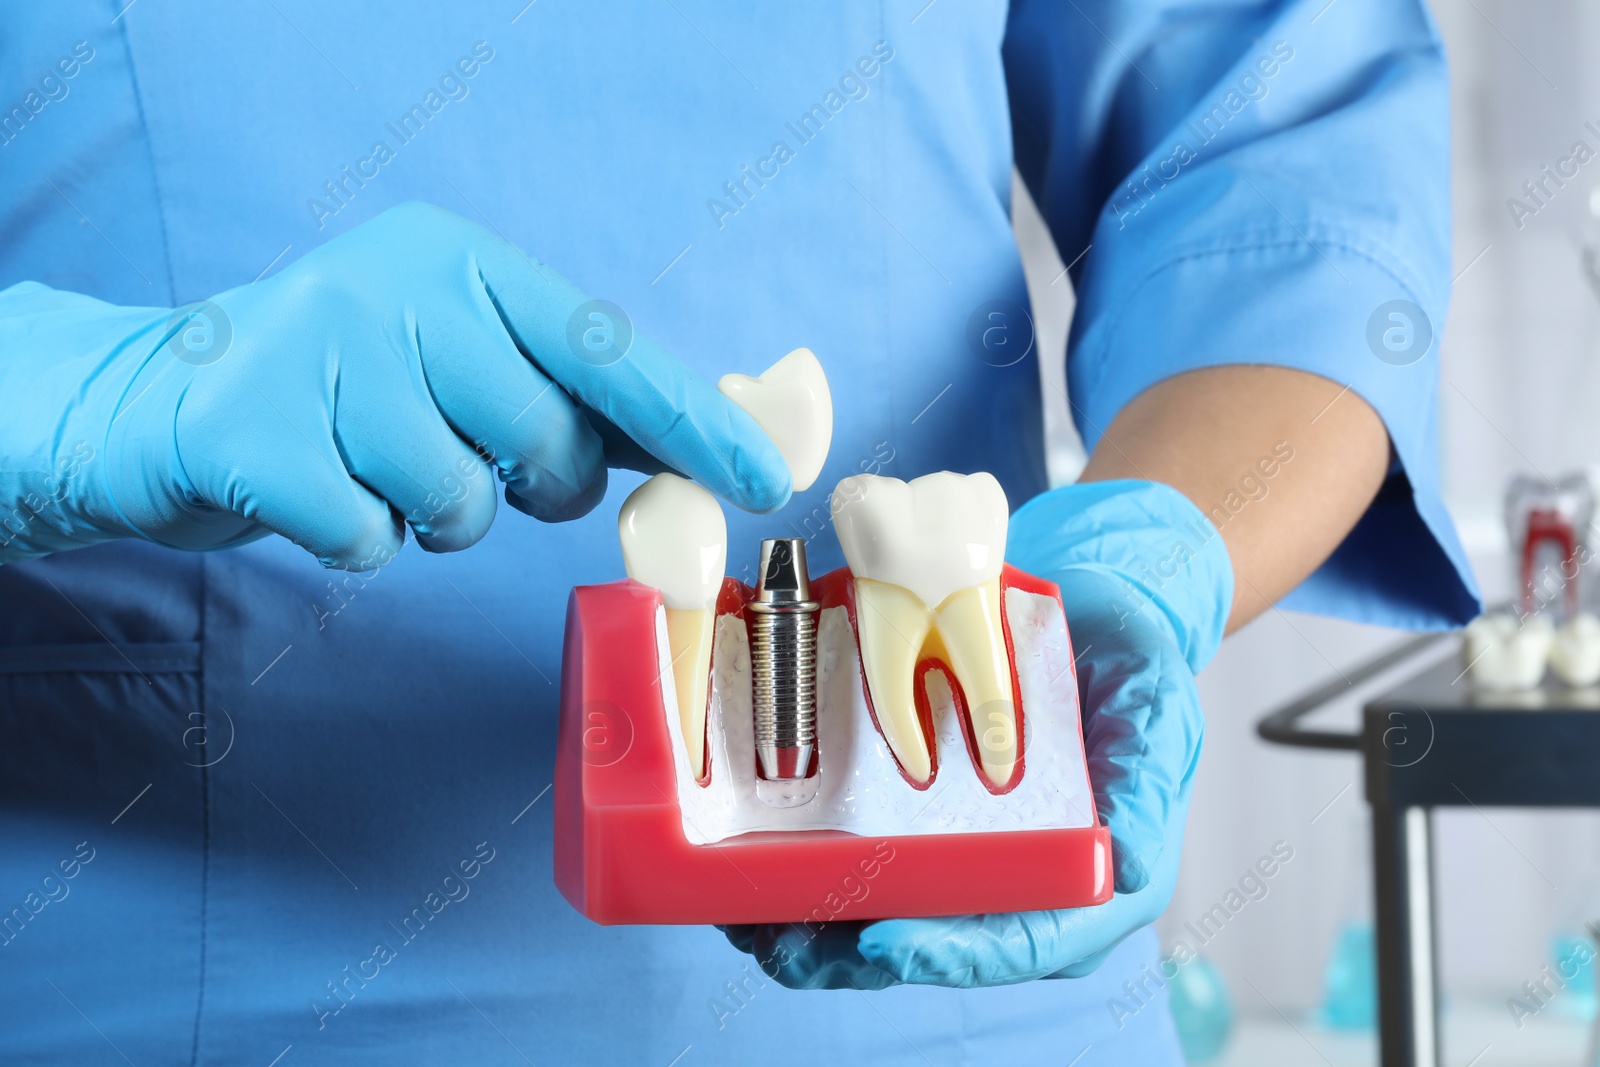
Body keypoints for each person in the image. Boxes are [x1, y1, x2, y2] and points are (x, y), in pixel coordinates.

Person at [0, 1, 1478, 1063]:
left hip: (947, 975)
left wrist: (1161, 548)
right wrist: (57, 404)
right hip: (138, 984)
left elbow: (1279, 150)